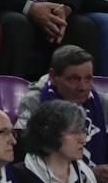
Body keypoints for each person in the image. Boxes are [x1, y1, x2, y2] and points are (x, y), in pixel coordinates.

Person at [14, 46, 107, 175]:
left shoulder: (102, 103)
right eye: (74, 79)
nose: (83, 87)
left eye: (88, 78)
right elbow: (25, 154)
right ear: (53, 76)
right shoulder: (34, 102)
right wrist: (89, 174)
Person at [16, 99, 108, 183]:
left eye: (82, 131)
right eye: (74, 132)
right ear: (50, 134)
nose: (83, 139)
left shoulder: (86, 175)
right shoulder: (18, 178)